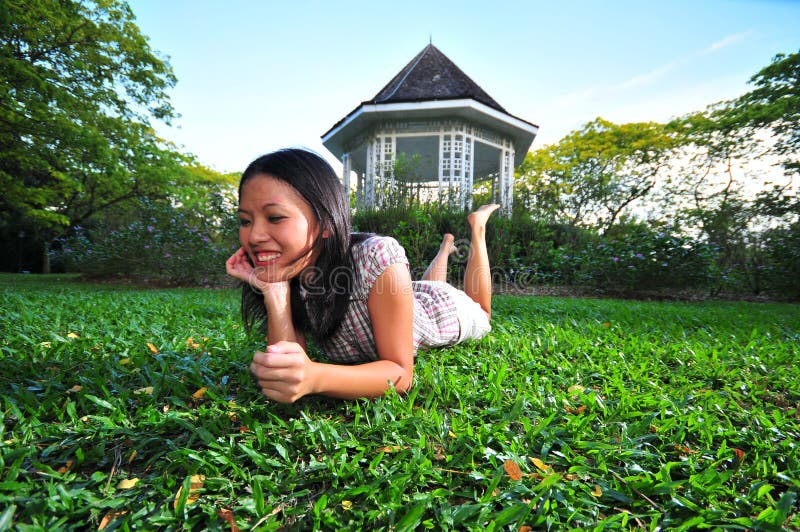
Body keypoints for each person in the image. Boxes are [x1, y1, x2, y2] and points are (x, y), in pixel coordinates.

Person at [225, 148, 499, 403]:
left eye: (274, 217)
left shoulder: (375, 256)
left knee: (481, 311)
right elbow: (285, 361)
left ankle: (478, 229)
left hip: (441, 312)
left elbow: (401, 374)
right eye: (245, 221)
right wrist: (274, 291)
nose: (255, 235)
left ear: (325, 223)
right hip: (403, 296)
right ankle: (446, 248)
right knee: (426, 286)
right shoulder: (291, 273)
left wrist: (316, 376)